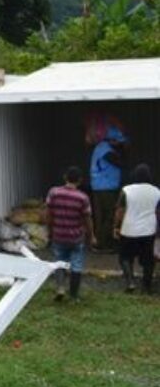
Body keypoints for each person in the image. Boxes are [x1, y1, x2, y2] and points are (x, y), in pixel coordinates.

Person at [46, 166, 96, 301]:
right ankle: (74, 295)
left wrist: (50, 231)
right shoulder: (82, 198)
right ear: (80, 181)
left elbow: (49, 215)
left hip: (58, 235)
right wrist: (91, 236)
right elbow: (87, 219)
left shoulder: (54, 193)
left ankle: (60, 288)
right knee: (77, 265)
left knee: (59, 262)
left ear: (65, 177)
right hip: (76, 237)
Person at [114, 164, 160, 295]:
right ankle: (146, 286)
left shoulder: (126, 190)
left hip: (128, 229)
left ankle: (130, 282)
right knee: (148, 260)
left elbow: (120, 210)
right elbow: (158, 212)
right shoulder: (157, 191)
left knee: (125, 257)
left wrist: (116, 226)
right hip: (148, 230)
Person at [89, 125, 128, 250]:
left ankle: (102, 242)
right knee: (109, 216)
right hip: (105, 188)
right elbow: (121, 163)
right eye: (118, 142)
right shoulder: (105, 150)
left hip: (102, 187)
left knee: (103, 216)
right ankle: (103, 244)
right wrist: (123, 150)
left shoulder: (103, 148)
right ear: (112, 140)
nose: (119, 145)